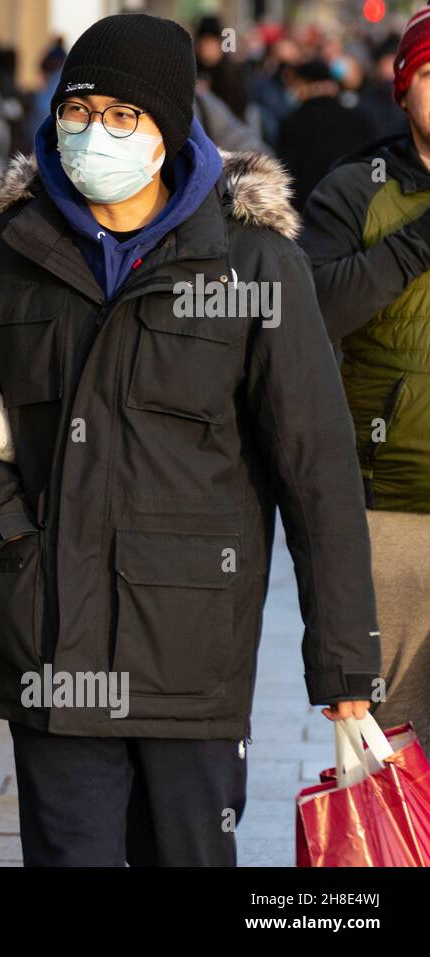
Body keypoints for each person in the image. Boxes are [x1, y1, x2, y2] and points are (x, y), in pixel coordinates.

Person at [0, 13, 380, 867]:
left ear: (167, 129)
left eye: (121, 116)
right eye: (78, 110)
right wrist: (9, 537)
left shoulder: (251, 267)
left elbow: (315, 464)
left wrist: (345, 670)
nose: (95, 132)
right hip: (50, 646)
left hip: (191, 660)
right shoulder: (4, 252)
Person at [300, 4, 430, 750]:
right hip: (390, 523)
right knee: (397, 759)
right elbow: (313, 311)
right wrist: (418, 242)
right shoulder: (357, 188)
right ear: (404, 87)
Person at [276, 58, 376, 210]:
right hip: (354, 208)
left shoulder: (293, 123)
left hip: (309, 212)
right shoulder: (358, 119)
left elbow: (287, 176)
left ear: (304, 83)